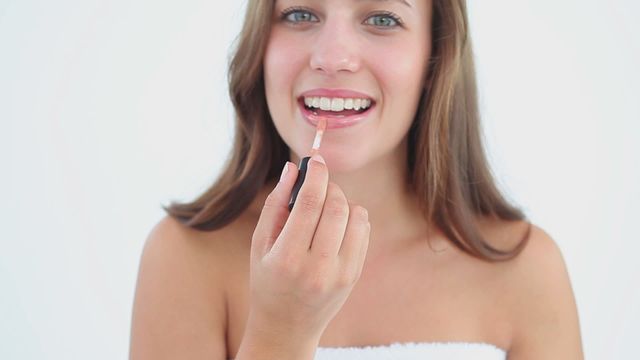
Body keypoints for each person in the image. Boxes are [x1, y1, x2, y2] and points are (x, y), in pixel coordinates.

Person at [129, 0, 584, 359]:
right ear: (259, 48)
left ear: (434, 58)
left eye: (382, 18)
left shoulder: (526, 268)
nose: (333, 58)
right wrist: (280, 331)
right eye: (300, 14)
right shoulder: (185, 257)